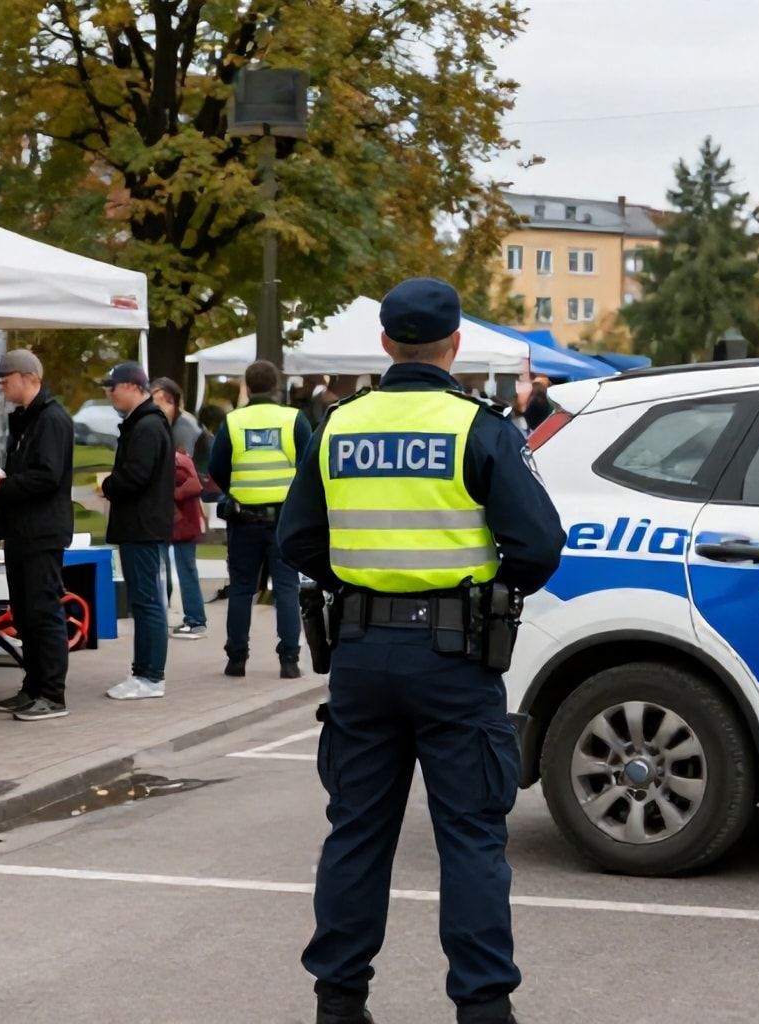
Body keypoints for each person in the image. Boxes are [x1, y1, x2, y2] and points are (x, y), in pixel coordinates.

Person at [277, 278, 565, 1024]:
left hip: (362, 653)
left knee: (358, 832)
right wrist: (486, 590)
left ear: (383, 344)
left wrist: (364, 580)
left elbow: (297, 540)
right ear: (455, 346)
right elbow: (538, 544)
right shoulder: (481, 427)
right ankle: (482, 1009)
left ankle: (339, 1003)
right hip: (455, 652)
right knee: (469, 836)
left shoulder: (337, 426)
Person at [0, 350, 76, 722]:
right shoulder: (27, 418)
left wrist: (2, 485)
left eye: (6, 378)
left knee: (43, 611)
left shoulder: (51, 419)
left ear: (28, 376)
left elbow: (47, 476)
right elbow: (31, 470)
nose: (2, 385)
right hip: (22, 528)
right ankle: (34, 686)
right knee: (24, 611)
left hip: (41, 530)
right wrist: (2, 478)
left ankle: (52, 693)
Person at [210, 359, 310, 679]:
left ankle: (236, 658)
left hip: (244, 519)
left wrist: (237, 490)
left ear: (248, 388)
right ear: (276, 387)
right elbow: (309, 464)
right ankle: (290, 661)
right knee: (286, 588)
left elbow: (217, 467)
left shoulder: (233, 422)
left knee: (241, 588)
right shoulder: (294, 420)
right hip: (284, 519)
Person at [97, 362, 173, 701]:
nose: (108, 393)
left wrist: (108, 485)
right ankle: (144, 672)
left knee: (146, 602)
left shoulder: (146, 427)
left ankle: (150, 675)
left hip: (142, 525)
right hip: (141, 524)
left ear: (131, 386)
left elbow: (136, 476)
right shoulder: (143, 424)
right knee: (145, 601)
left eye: (112, 387)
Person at [152, 378, 207, 640]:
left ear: (172, 400)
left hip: (180, 510)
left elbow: (181, 468)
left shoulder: (183, 427)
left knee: (184, 566)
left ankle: (195, 619)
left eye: (159, 398)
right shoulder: (165, 424)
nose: (155, 403)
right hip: (171, 509)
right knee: (164, 565)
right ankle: (163, 616)